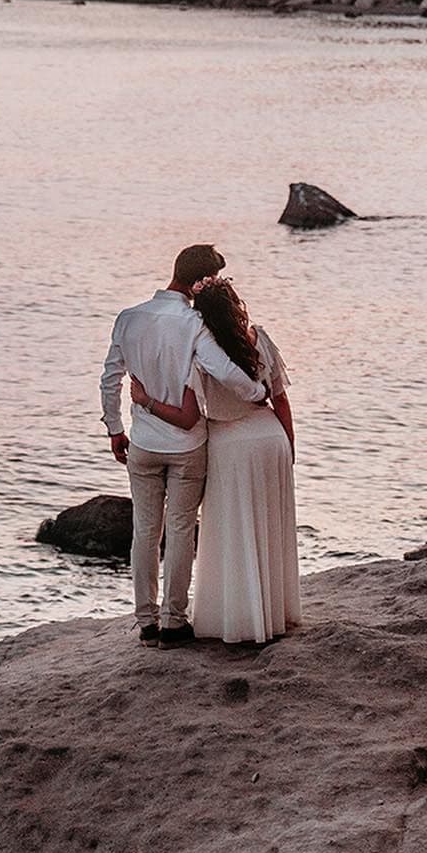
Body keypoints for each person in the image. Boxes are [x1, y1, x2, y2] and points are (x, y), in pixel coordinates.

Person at [101, 245, 267, 647]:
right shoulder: (193, 323)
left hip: (142, 441)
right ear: (198, 282)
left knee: (145, 530)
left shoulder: (130, 317)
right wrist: (257, 391)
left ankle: (146, 622)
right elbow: (223, 370)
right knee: (179, 530)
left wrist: (114, 428)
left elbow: (110, 379)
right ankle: (174, 622)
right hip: (186, 445)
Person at [129, 275, 299, 646]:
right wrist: (289, 446)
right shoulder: (261, 338)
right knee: (268, 528)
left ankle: (240, 620)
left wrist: (144, 399)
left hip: (230, 446)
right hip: (271, 438)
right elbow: (281, 400)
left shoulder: (200, 354)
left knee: (232, 534)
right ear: (236, 305)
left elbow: (189, 415)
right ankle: (274, 615)